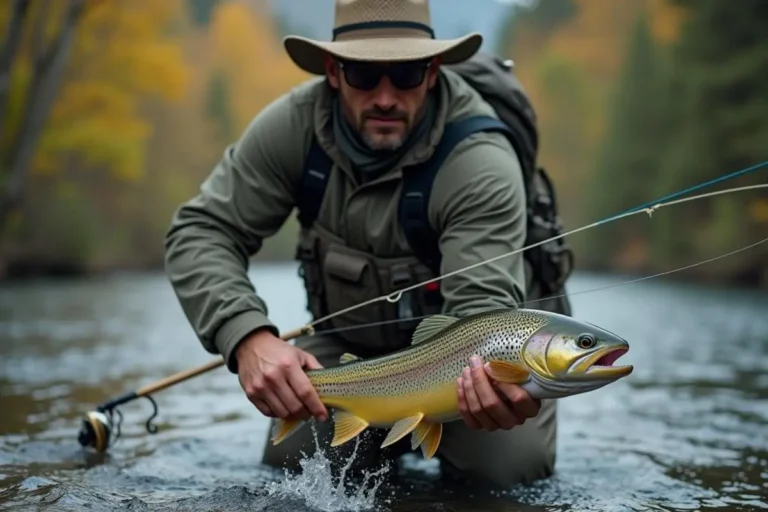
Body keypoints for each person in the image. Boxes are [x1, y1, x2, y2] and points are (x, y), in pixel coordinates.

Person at [164, 0, 572, 488]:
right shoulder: (292, 128)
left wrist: (498, 383)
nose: (385, 97)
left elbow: (480, 315)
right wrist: (248, 337)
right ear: (333, 72)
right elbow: (201, 230)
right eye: (363, 74)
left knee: (508, 473)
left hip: (456, 364)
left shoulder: (479, 159)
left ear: (433, 70)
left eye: (405, 75)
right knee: (290, 473)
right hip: (344, 354)